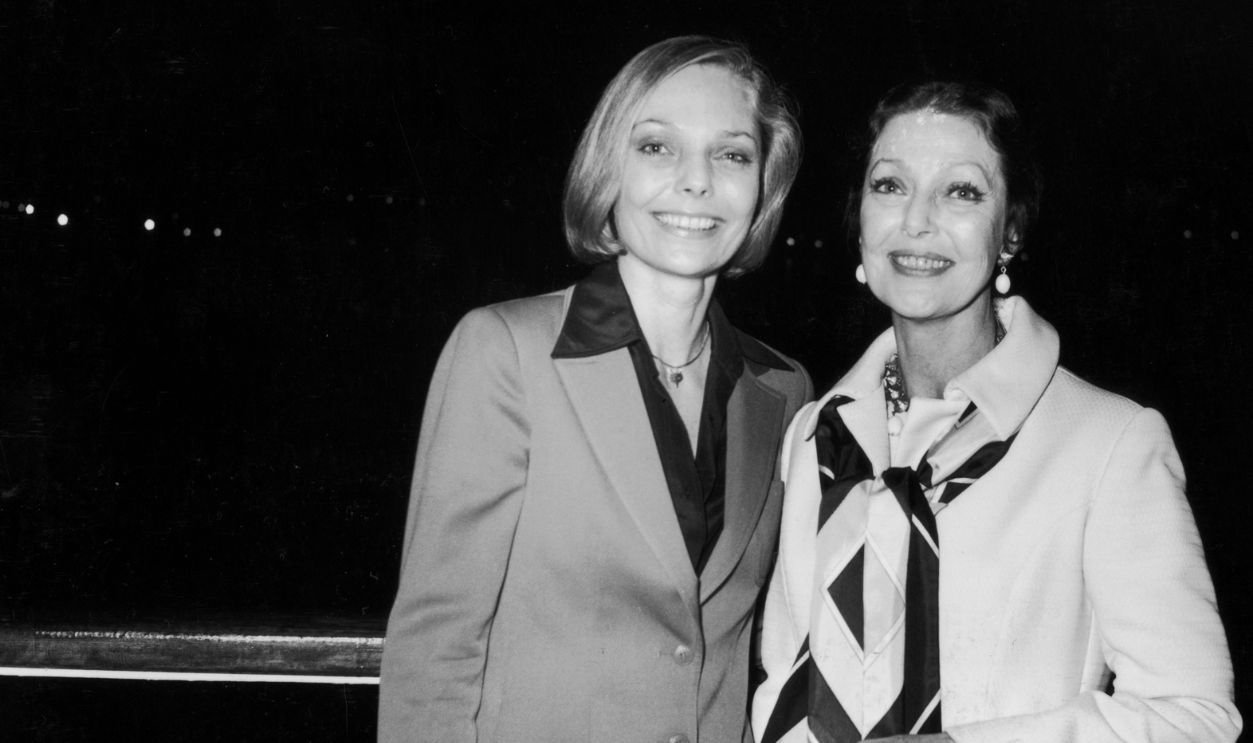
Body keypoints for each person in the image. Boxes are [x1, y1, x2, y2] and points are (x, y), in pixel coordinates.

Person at [752, 81, 1241, 743]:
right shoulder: (817, 432)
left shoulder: (1108, 442)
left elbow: (1194, 715)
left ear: (1008, 229)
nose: (916, 220)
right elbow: (783, 675)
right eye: (889, 186)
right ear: (858, 221)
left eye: (961, 191)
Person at [379, 36, 811, 743]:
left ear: (763, 183)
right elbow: (435, 643)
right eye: (656, 147)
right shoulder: (507, 352)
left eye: (731, 154)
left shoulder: (783, 389)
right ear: (607, 166)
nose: (696, 181)